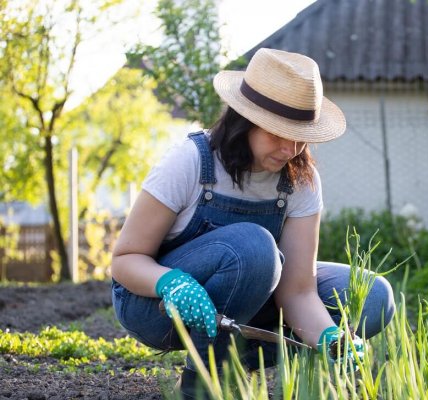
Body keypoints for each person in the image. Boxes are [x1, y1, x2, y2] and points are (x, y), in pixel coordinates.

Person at [110, 48, 395, 398]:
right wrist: (171, 282)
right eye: (277, 133)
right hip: (153, 303)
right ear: (244, 121)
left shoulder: (301, 181)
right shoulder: (192, 161)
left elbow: (298, 289)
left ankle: (229, 361)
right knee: (255, 247)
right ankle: (203, 380)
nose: (290, 148)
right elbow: (125, 260)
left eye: (300, 135)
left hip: (244, 300)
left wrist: (329, 337)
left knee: (374, 298)